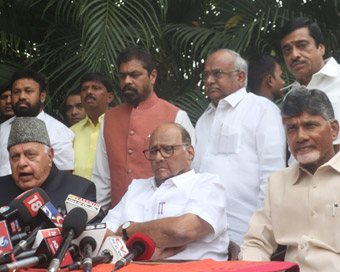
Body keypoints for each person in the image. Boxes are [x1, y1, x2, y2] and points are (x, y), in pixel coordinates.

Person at [240, 87, 340, 272]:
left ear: (333, 130)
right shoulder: (279, 183)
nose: (300, 137)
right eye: (292, 128)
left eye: (310, 126)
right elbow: (256, 242)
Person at [194, 49, 286, 246]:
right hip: (202, 232)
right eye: (206, 75)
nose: (209, 80)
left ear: (240, 76)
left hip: (246, 230)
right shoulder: (203, 120)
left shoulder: (262, 109)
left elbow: (272, 174)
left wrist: (260, 230)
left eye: (217, 73)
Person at [102, 123, 229, 261]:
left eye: (168, 149)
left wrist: (128, 229)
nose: (158, 158)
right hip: (134, 266)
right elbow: (103, 235)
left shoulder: (207, 184)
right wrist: (142, 250)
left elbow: (182, 231)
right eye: (153, 151)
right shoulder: (137, 187)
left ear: (190, 153)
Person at [92, 46, 195, 212]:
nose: (127, 81)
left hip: (163, 217)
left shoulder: (177, 116)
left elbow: (188, 175)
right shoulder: (109, 119)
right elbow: (101, 178)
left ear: (152, 76)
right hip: (117, 220)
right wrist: (95, 218)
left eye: (134, 75)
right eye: (122, 76)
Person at [0, 117, 96, 211]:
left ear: (50, 156)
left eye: (30, 155)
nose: (21, 163)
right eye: (15, 156)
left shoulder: (80, 190)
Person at [280, 17, 340, 151]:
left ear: (321, 48)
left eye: (302, 46)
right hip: (299, 171)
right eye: (287, 50)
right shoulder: (290, 97)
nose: (294, 55)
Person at [0, 69, 75, 176]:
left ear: (42, 96)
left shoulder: (59, 132)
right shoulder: (2, 129)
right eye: (16, 92)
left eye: (28, 91)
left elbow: (63, 177)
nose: (22, 96)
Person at [71, 72, 114, 180]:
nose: (89, 92)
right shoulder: (71, 132)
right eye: (84, 89)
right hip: (76, 195)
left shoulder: (120, 127)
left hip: (110, 195)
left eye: (95, 88)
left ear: (109, 97)